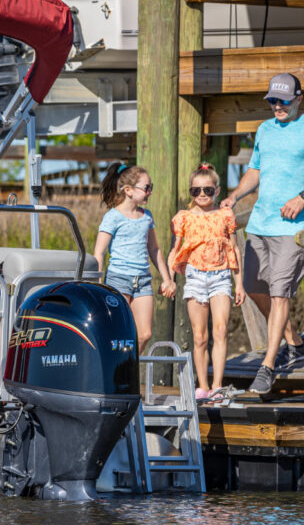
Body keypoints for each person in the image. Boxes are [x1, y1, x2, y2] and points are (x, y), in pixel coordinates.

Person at [220, 73, 304, 395]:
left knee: (280, 295)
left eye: (284, 101)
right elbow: (256, 170)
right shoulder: (264, 130)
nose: (277, 106)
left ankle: (268, 366)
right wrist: (236, 196)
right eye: (273, 100)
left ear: (299, 98)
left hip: (292, 230)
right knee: (252, 287)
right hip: (260, 225)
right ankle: (296, 343)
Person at [167, 163, 246, 405]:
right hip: (195, 277)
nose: (202, 195)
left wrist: (239, 283)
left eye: (208, 190)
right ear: (191, 192)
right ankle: (202, 386)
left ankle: (217, 386)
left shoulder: (225, 216)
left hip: (221, 276)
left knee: (220, 331)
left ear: (217, 191)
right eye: (196, 191)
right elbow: (175, 250)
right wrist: (169, 279)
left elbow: (234, 249)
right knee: (200, 336)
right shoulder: (183, 218)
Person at [93, 163, 176, 356]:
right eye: (146, 188)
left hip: (143, 280)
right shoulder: (112, 217)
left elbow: (154, 250)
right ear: (128, 190)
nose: (149, 192)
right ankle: (115, 372)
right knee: (118, 332)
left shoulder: (147, 217)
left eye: (151, 187)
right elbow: (99, 252)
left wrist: (167, 279)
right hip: (118, 279)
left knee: (145, 334)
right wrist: (98, 284)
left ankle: (125, 368)